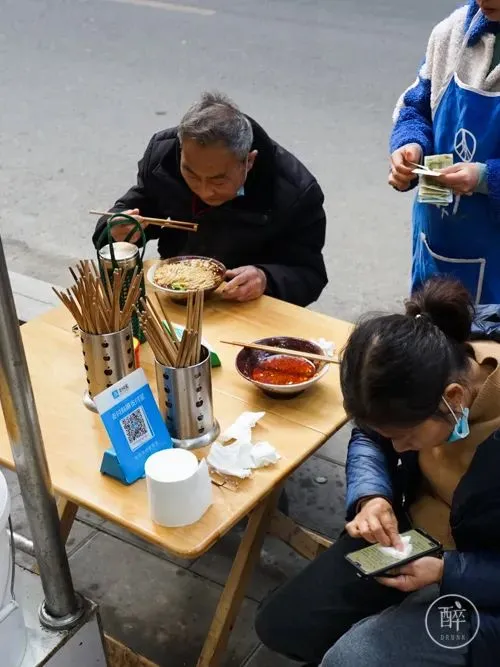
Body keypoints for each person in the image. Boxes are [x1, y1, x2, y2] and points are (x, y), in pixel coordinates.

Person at [255, 277, 500, 667]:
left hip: (483, 578)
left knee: (351, 659)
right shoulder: (433, 351)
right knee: (283, 626)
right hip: (418, 539)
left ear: (453, 398)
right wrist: (372, 495)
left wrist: (447, 571)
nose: (398, 448)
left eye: (406, 436)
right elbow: (372, 436)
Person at [92, 91, 328, 307]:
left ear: (249, 162)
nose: (203, 191)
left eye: (218, 181)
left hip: (246, 305)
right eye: (191, 174)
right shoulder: (164, 156)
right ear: (182, 149)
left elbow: (309, 274)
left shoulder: (294, 191)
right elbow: (140, 204)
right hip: (177, 293)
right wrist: (116, 231)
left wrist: (266, 279)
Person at [389, 0, 500, 305]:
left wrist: (485, 178)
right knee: (430, 339)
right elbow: (415, 108)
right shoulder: (450, 33)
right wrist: (410, 146)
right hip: (436, 238)